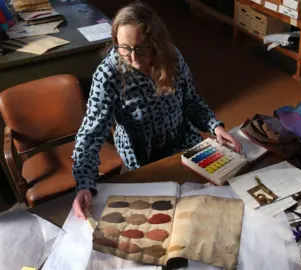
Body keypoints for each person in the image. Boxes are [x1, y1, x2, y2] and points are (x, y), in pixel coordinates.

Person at [72, 2, 240, 219]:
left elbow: (190, 101)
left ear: (156, 44)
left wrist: (214, 126)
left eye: (140, 48)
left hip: (184, 145)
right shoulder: (108, 76)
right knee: (159, 216)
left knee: (212, 206)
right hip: (143, 159)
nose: (132, 57)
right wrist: (84, 183)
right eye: (123, 47)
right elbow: (91, 133)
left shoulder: (172, 58)